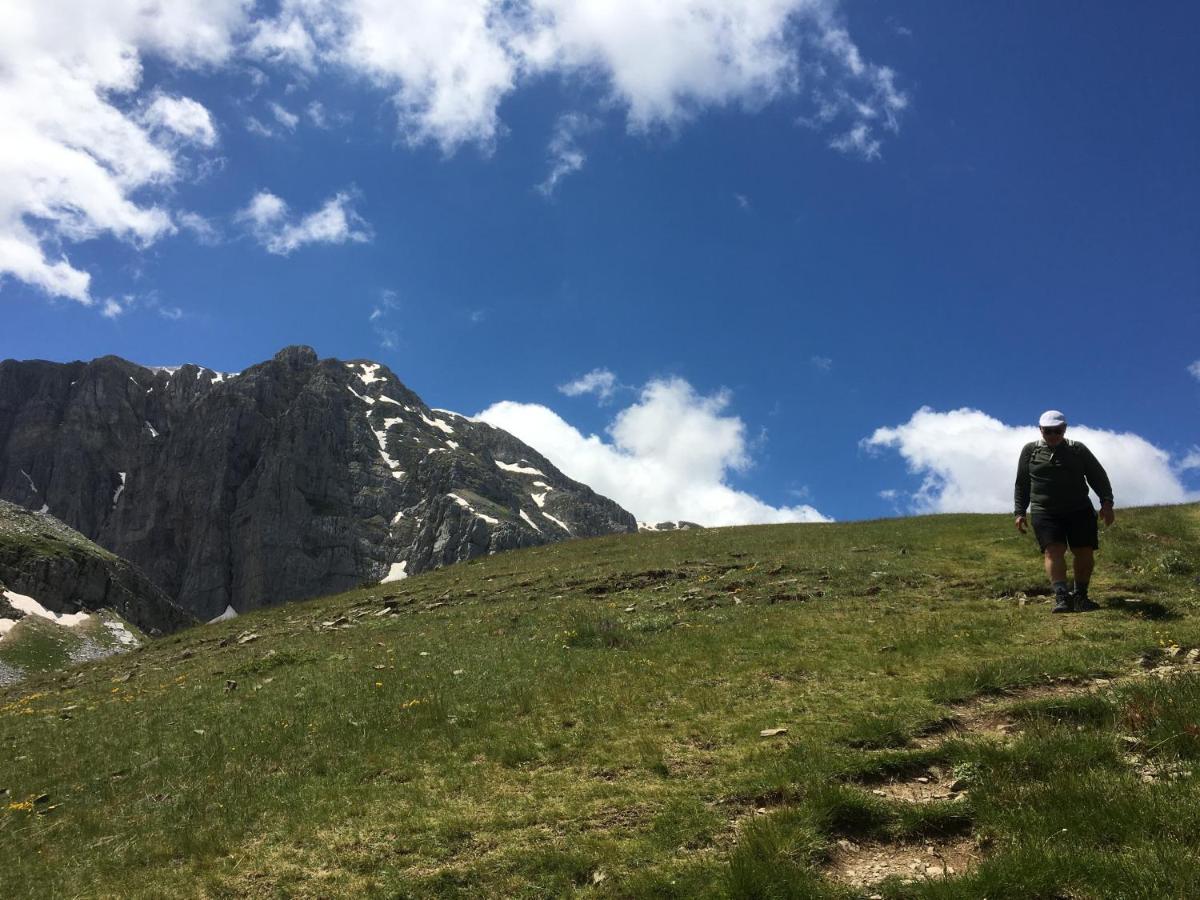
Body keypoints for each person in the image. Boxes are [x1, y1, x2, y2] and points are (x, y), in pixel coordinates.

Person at [1014, 410, 1115, 613]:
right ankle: (1061, 597)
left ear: (1065, 429)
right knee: (1053, 551)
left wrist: (1106, 503)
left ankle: (1080, 596)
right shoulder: (1030, 451)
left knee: (1084, 550)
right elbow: (1022, 483)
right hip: (1045, 511)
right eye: (1048, 431)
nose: (1053, 435)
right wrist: (1019, 512)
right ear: (1040, 430)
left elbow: (1098, 475)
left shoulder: (1077, 449)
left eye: (1057, 431)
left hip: (1079, 509)